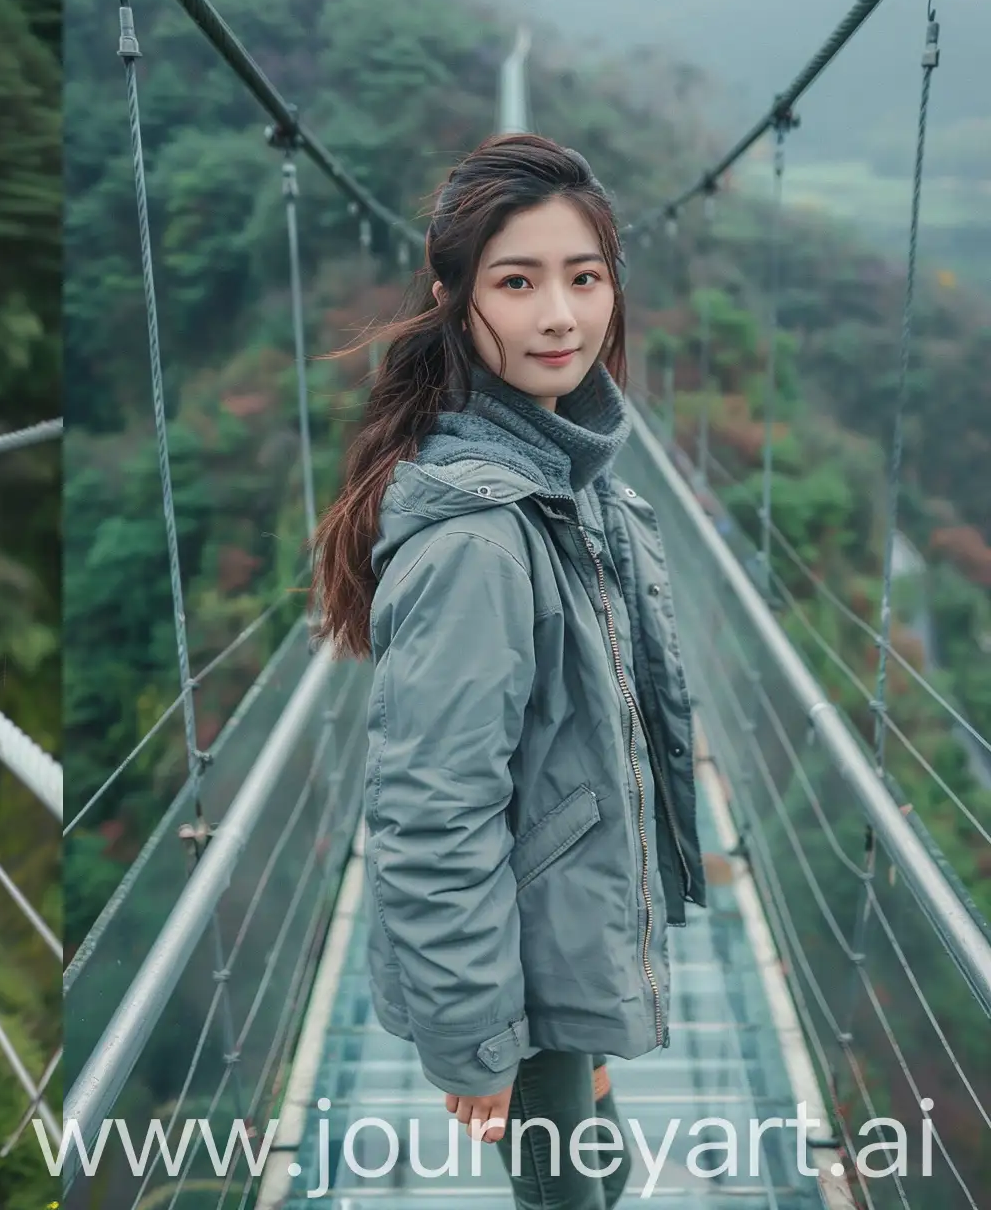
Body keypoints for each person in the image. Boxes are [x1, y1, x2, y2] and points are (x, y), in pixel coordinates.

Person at [311, 134, 704, 1210]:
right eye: (515, 282)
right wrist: (478, 1039)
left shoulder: (568, 481)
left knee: (602, 1171)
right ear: (451, 296)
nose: (560, 318)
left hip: (558, 956)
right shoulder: (480, 539)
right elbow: (432, 812)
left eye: (583, 278)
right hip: (514, 977)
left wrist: (591, 1011)